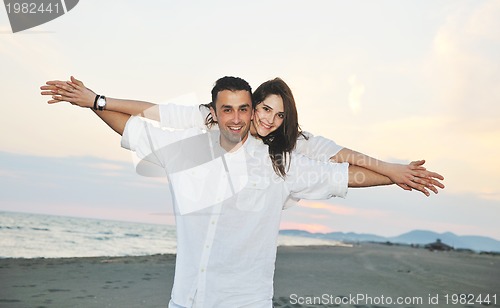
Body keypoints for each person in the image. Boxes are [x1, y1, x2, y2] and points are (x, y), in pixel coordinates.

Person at [44, 76, 407, 307]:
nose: (240, 117)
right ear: (213, 114)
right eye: (228, 110)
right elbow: (133, 131)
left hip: (245, 301)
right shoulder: (188, 151)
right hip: (186, 299)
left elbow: (344, 174)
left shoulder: (283, 163)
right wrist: (95, 102)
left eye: (246, 109)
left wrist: (395, 174)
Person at [41, 77, 444, 195]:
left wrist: (393, 171)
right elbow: (150, 115)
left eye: (278, 114)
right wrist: (96, 99)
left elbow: (341, 157)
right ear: (252, 107)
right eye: (264, 108)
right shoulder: (212, 118)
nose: (268, 119)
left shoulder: (292, 145)